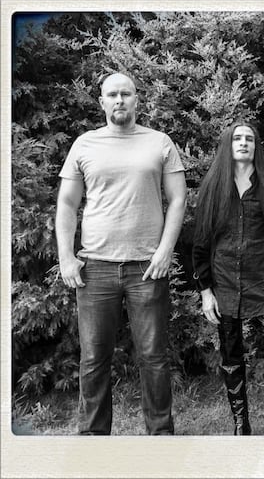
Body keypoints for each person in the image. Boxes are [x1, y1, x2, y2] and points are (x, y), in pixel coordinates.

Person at [55, 73, 187, 435]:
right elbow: (67, 204)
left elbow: (178, 199)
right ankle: (94, 438)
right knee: (93, 358)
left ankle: (160, 436)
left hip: (148, 267)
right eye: (112, 94)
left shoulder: (159, 142)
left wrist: (165, 251)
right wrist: (66, 256)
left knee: (153, 357)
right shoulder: (85, 144)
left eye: (125, 93)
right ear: (101, 102)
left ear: (136, 99)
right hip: (95, 267)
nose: (119, 100)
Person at [192, 121, 264, 436]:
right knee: (231, 358)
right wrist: (205, 291)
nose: (243, 143)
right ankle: (241, 425)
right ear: (228, 145)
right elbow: (201, 241)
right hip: (225, 283)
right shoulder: (214, 185)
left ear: (257, 146)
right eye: (237, 138)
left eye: (249, 139)